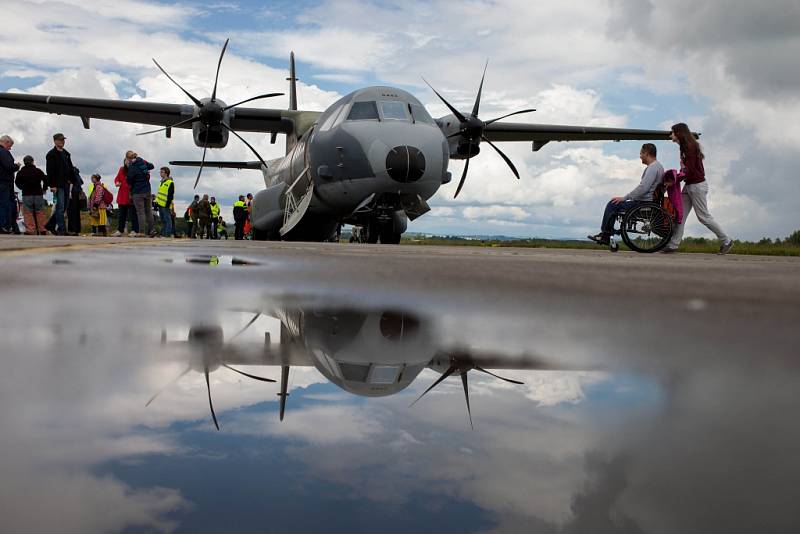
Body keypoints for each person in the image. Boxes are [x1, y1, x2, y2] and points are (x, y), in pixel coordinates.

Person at [663, 123, 734, 254]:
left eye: (672, 132)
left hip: (697, 186)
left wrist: (675, 179)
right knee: (680, 215)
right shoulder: (684, 148)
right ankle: (673, 245)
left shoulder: (690, 148)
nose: (670, 135)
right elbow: (686, 170)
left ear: (678, 133)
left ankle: (726, 240)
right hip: (689, 185)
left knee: (703, 216)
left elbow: (690, 171)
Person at [589, 143, 664, 246]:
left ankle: (605, 235)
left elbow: (643, 188)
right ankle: (607, 232)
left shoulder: (652, 168)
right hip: (647, 201)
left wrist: (625, 198)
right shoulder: (659, 167)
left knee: (613, 204)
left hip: (643, 203)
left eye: (641, 153)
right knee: (615, 204)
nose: (640, 156)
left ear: (646, 153)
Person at [44, 133, 74, 235]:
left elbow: (70, 168)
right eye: (60, 140)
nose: (62, 141)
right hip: (57, 184)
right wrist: (52, 185)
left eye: (63, 140)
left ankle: (50, 225)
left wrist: (72, 179)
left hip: (66, 183)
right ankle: (62, 229)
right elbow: (50, 171)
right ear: (55, 141)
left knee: (64, 207)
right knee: (60, 207)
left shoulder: (66, 153)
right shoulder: (51, 154)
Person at [14, 155, 48, 235]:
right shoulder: (38, 171)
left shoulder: (21, 172)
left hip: (26, 194)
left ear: (24, 162)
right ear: (32, 161)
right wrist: (44, 189)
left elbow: (17, 182)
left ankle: (30, 229)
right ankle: (42, 229)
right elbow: (46, 179)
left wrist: (22, 187)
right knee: (40, 212)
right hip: (38, 194)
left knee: (28, 213)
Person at [125, 150, 156, 237]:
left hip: (137, 192)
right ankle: (152, 230)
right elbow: (152, 166)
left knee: (140, 213)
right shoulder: (142, 161)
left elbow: (129, 180)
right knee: (149, 211)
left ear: (128, 158)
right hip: (147, 190)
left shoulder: (132, 167)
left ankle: (142, 232)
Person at [112, 156, 139, 236]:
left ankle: (135, 230)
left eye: (129, 160)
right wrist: (117, 182)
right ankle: (120, 230)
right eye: (126, 161)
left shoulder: (135, 169)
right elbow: (117, 178)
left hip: (131, 194)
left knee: (133, 214)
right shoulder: (121, 169)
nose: (127, 162)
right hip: (122, 195)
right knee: (121, 215)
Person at [0, 134, 20, 234]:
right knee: (4, 205)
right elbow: (9, 166)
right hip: (4, 183)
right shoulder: (3, 152)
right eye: (10, 145)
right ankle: (3, 226)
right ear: (6, 142)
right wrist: (16, 166)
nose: (10, 148)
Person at [154, 167, 174, 238]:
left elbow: (170, 195)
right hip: (160, 205)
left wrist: (168, 205)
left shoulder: (170, 182)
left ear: (166, 173)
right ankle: (163, 233)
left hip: (166, 205)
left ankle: (167, 234)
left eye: (162, 172)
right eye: (160, 172)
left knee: (167, 220)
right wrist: (156, 203)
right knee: (163, 221)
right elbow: (159, 194)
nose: (160, 173)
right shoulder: (161, 182)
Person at [67, 167, 84, 235]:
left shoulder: (72, 176)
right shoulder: (78, 176)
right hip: (77, 195)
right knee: (76, 213)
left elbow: (71, 184)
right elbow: (82, 182)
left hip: (72, 195)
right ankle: (77, 229)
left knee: (71, 213)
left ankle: (72, 229)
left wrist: (69, 193)